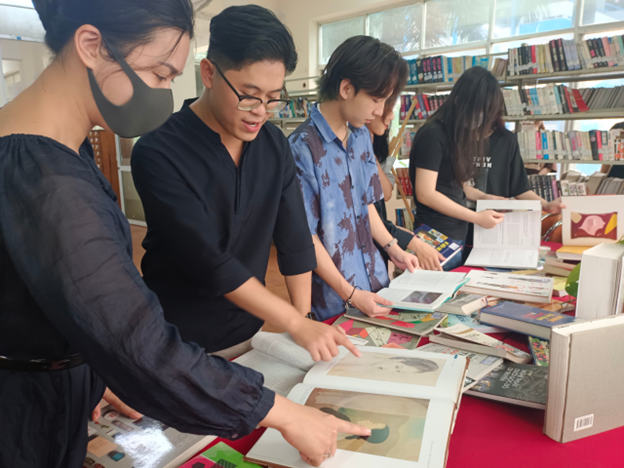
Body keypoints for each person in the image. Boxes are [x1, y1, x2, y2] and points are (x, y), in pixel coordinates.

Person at [0, 2, 369, 467]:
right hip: (29, 416)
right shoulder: (44, 176)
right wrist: (284, 414)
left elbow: (59, 306)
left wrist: (92, 370)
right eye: (159, 74)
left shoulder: (64, 152)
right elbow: (138, 339)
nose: (163, 94)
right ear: (91, 46)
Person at [131, 5, 353, 361]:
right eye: (249, 94)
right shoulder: (158, 151)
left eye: (273, 98)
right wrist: (293, 323)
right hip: (176, 342)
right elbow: (208, 261)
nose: (260, 111)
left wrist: (303, 319)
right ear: (208, 73)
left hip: (251, 336)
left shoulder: (273, 145)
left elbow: (295, 240)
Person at [289, 36, 419, 322]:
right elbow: (305, 237)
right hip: (335, 301)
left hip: (377, 284)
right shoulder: (301, 149)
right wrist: (351, 294)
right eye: (376, 99)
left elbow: (365, 205)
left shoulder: (360, 137)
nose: (380, 111)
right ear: (346, 88)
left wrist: (393, 248)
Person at [409, 67, 564, 271]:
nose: (481, 118)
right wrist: (475, 217)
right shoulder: (434, 134)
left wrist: (484, 197)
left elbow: (454, 184)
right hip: (435, 236)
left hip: (455, 236)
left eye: (487, 113)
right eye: (478, 111)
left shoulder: (459, 134)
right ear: (459, 102)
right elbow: (425, 193)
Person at [366, 102, 446, 271]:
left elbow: (384, 194)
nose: (391, 116)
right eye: (381, 101)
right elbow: (365, 212)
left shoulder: (370, 147)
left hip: (377, 256)